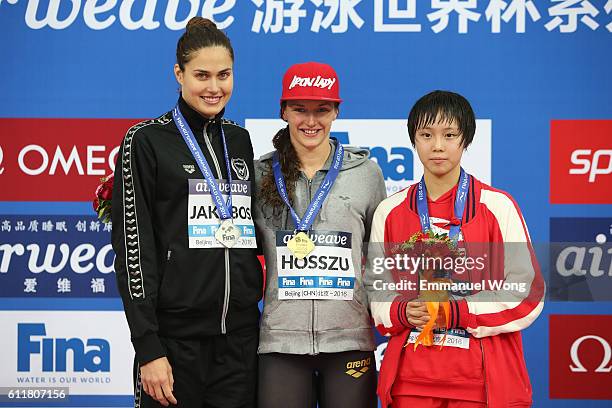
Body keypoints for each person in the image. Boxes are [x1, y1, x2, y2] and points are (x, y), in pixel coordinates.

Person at [111, 17, 262, 408]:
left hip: (240, 343)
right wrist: (148, 347)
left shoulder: (239, 140)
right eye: (202, 75)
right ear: (178, 74)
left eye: (224, 75)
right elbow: (133, 248)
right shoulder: (146, 141)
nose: (214, 87)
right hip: (174, 346)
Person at [365, 90, 545, 408]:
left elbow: (528, 293)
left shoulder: (496, 206)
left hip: (482, 385)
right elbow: (377, 290)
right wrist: (401, 311)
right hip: (412, 383)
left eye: (449, 135)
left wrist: (459, 311)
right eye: (426, 135)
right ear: (414, 140)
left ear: (465, 140)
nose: (437, 146)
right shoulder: (390, 211)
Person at [253, 61, 387, 408]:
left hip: (349, 341)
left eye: (321, 110)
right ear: (283, 111)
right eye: (300, 110)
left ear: (336, 112)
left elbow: (380, 258)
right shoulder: (260, 174)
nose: (311, 122)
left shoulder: (367, 174)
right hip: (281, 342)